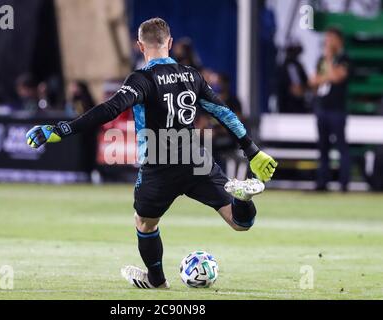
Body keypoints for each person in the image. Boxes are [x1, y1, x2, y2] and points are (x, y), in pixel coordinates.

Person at [25, 18, 277, 289]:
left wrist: (63, 129)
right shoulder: (192, 75)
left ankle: (157, 281)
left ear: (139, 46)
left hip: (159, 165)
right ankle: (243, 197)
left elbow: (109, 109)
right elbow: (223, 113)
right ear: (169, 43)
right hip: (196, 160)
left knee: (145, 223)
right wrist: (252, 151)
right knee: (240, 223)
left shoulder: (142, 79)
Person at [309, 27, 350, 192]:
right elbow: (313, 81)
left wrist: (329, 59)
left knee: (341, 147)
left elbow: (337, 76)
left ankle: (343, 183)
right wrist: (325, 76)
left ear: (338, 40)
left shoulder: (344, 58)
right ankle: (322, 182)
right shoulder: (321, 59)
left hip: (337, 110)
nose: (327, 41)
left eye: (330, 38)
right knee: (323, 147)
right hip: (322, 109)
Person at [277, 41, 308, 113]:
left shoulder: (297, 65)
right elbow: (296, 89)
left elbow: (304, 83)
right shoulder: (290, 65)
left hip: (297, 106)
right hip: (289, 107)